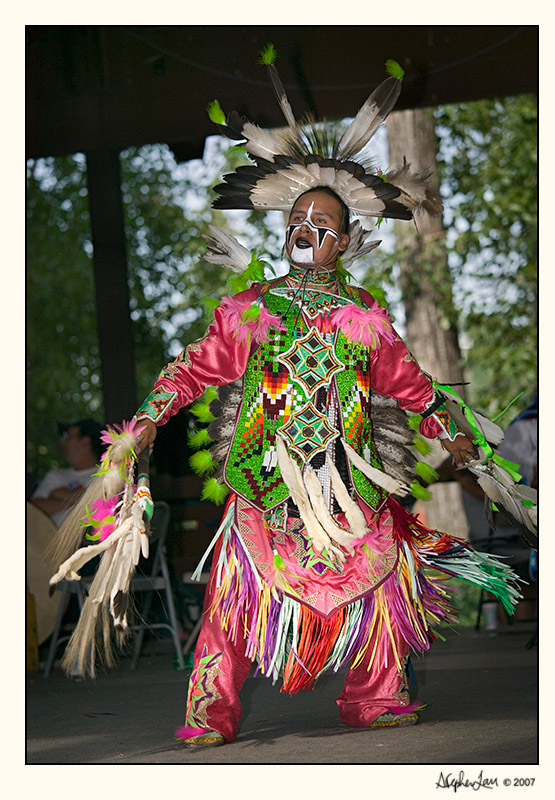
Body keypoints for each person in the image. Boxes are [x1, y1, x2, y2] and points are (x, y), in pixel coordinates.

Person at [52, 53, 521, 743]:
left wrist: (455, 435)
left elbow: (412, 387)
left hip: (351, 479)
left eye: (323, 222)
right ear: (285, 229)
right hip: (266, 476)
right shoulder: (250, 308)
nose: (307, 228)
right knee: (236, 595)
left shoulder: (365, 316)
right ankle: (212, 710)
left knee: (378, 582)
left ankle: (375, 697)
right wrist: (147, 422)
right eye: (298, 218)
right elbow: (192, 370)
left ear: (345, 241)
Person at [31, 419, 104, 527]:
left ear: (85, 441)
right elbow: (33, 509)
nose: (62, 442)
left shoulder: (105, 473)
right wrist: (80, 501)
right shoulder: (55, 475)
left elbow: (102, 506)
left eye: (68, 436)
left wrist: (57, 494)